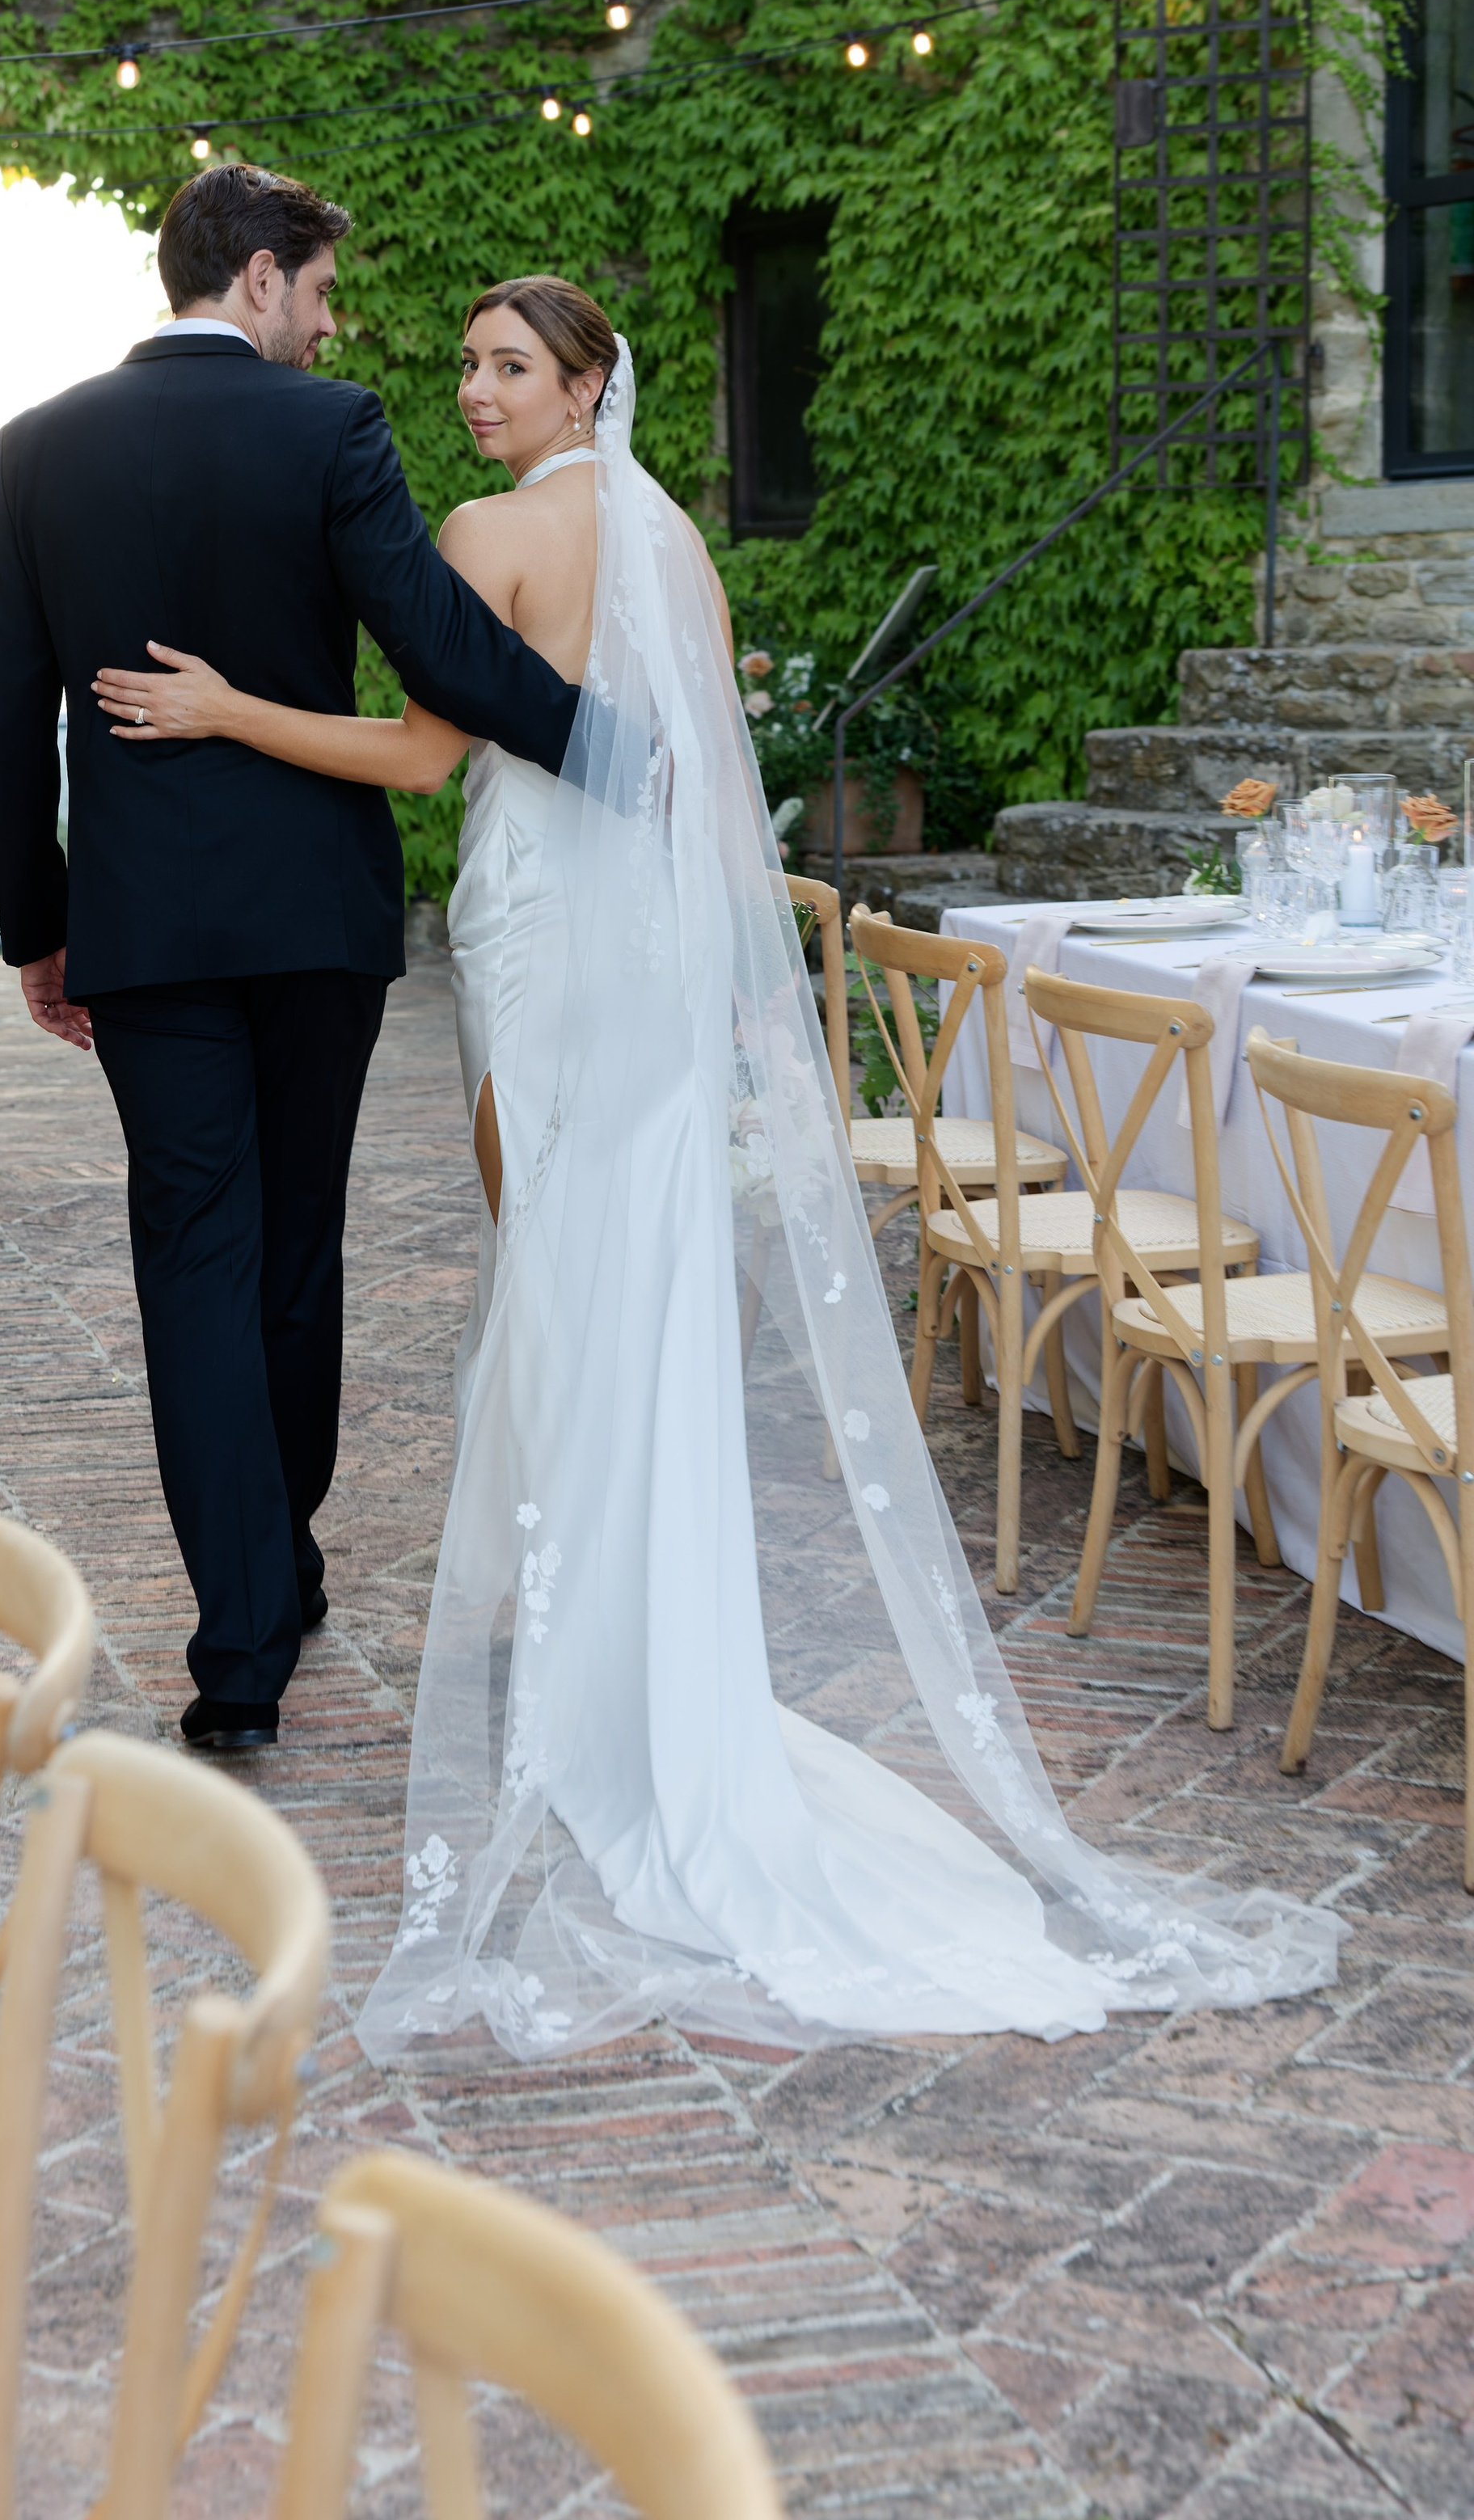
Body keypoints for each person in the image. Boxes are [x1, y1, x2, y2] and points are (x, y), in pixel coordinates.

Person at [94, 273, 1345, 2060]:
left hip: (536, 922)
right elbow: (671, 764)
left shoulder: (484, 533)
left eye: (505, 366)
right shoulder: (676, 549)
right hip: (650, 947)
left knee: (552, 1256)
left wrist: (222, 712)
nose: (470, 391)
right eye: (464, 366)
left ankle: (593, 1649)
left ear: (584, 382)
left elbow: (420, 753)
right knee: (630, 1250)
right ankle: (628, 1627)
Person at [0, 171, 581, 1754]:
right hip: (313, 920)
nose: (327, 322)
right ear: (255, 279)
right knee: (292, 1247)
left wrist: (39, 928)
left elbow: (9, 717)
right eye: (315, 291)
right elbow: (438, 651)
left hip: (145, 935)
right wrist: (617, 752)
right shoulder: (327, 433)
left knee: (191, 1255)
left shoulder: (38, 448)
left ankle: (241, 1639)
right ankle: (280, 1555)